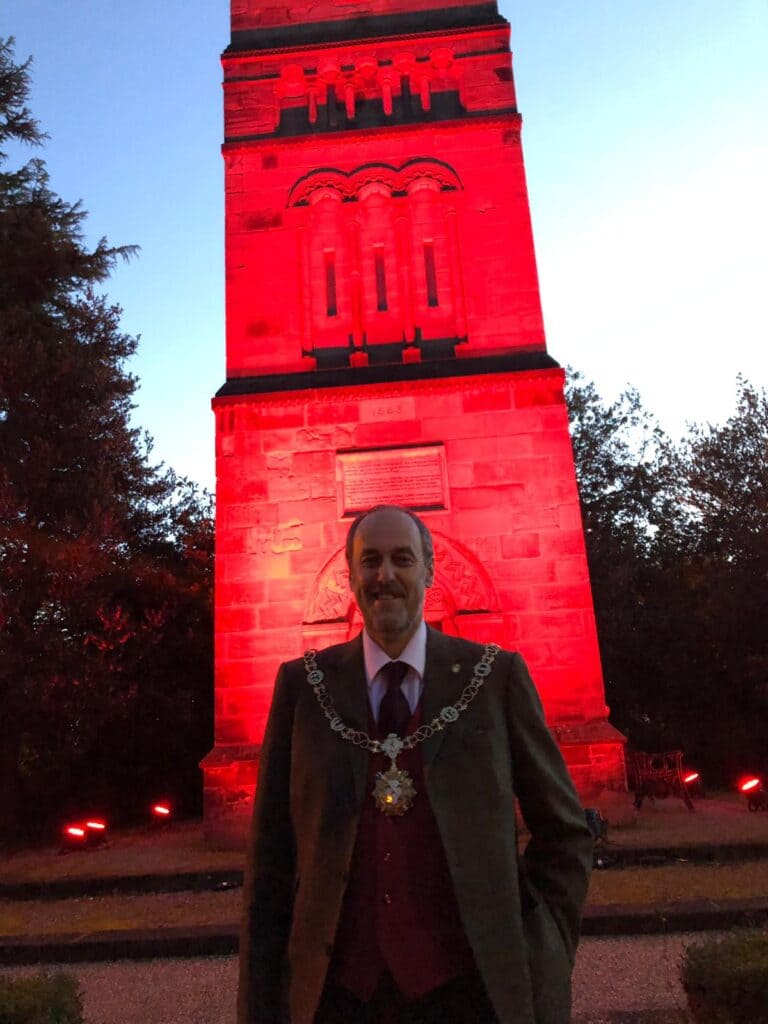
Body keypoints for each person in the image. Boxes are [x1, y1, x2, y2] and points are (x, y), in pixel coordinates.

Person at [238, 504, 593, 1024]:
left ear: (428, 570)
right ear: (352, 575)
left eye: (402, 559)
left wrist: (546, 938)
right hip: (337, 998)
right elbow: (270, 861)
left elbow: (565, 831)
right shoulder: (302, 688)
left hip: (469, 995)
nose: (385, 576)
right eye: (370, 561)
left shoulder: (495, 678)